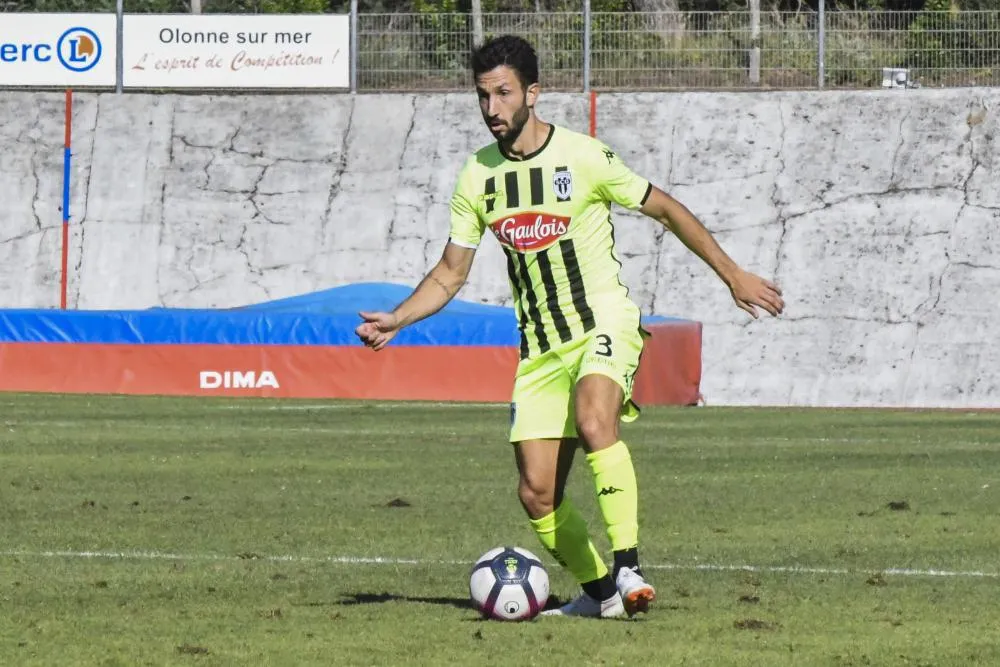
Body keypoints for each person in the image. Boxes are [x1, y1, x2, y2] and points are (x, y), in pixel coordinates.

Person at [355, 35, 784, 619]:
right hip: (540, 348)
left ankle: (629, 560)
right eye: (483, 96)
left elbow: (665, 207)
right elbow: (451, 273)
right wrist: (397, 319)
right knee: (536, 494)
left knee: (593, 417)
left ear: (533, 93)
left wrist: (732, 274)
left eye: (503, 93)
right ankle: (603, 595)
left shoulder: (584, 157)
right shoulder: (476, 177)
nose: (492, 109)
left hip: (603, 320)